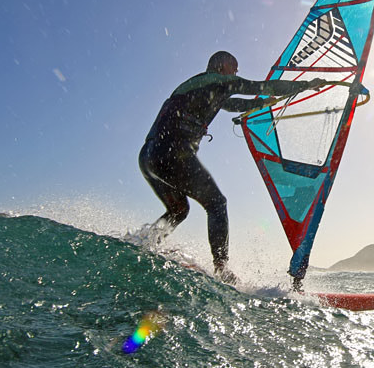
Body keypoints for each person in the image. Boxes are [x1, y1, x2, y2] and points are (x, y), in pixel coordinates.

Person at [128, 50, 325, 284]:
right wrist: (305, 84)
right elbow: (262, 86)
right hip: (172, 153)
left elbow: (233, 104)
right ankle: (221, 268)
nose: (237, 72)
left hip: (150, 157)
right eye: (234, 67)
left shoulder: (205, 87)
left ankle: (145, 244)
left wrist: (262, 104)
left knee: (179, 210)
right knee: (217, 203)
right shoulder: (216, 80)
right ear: (222, 67)